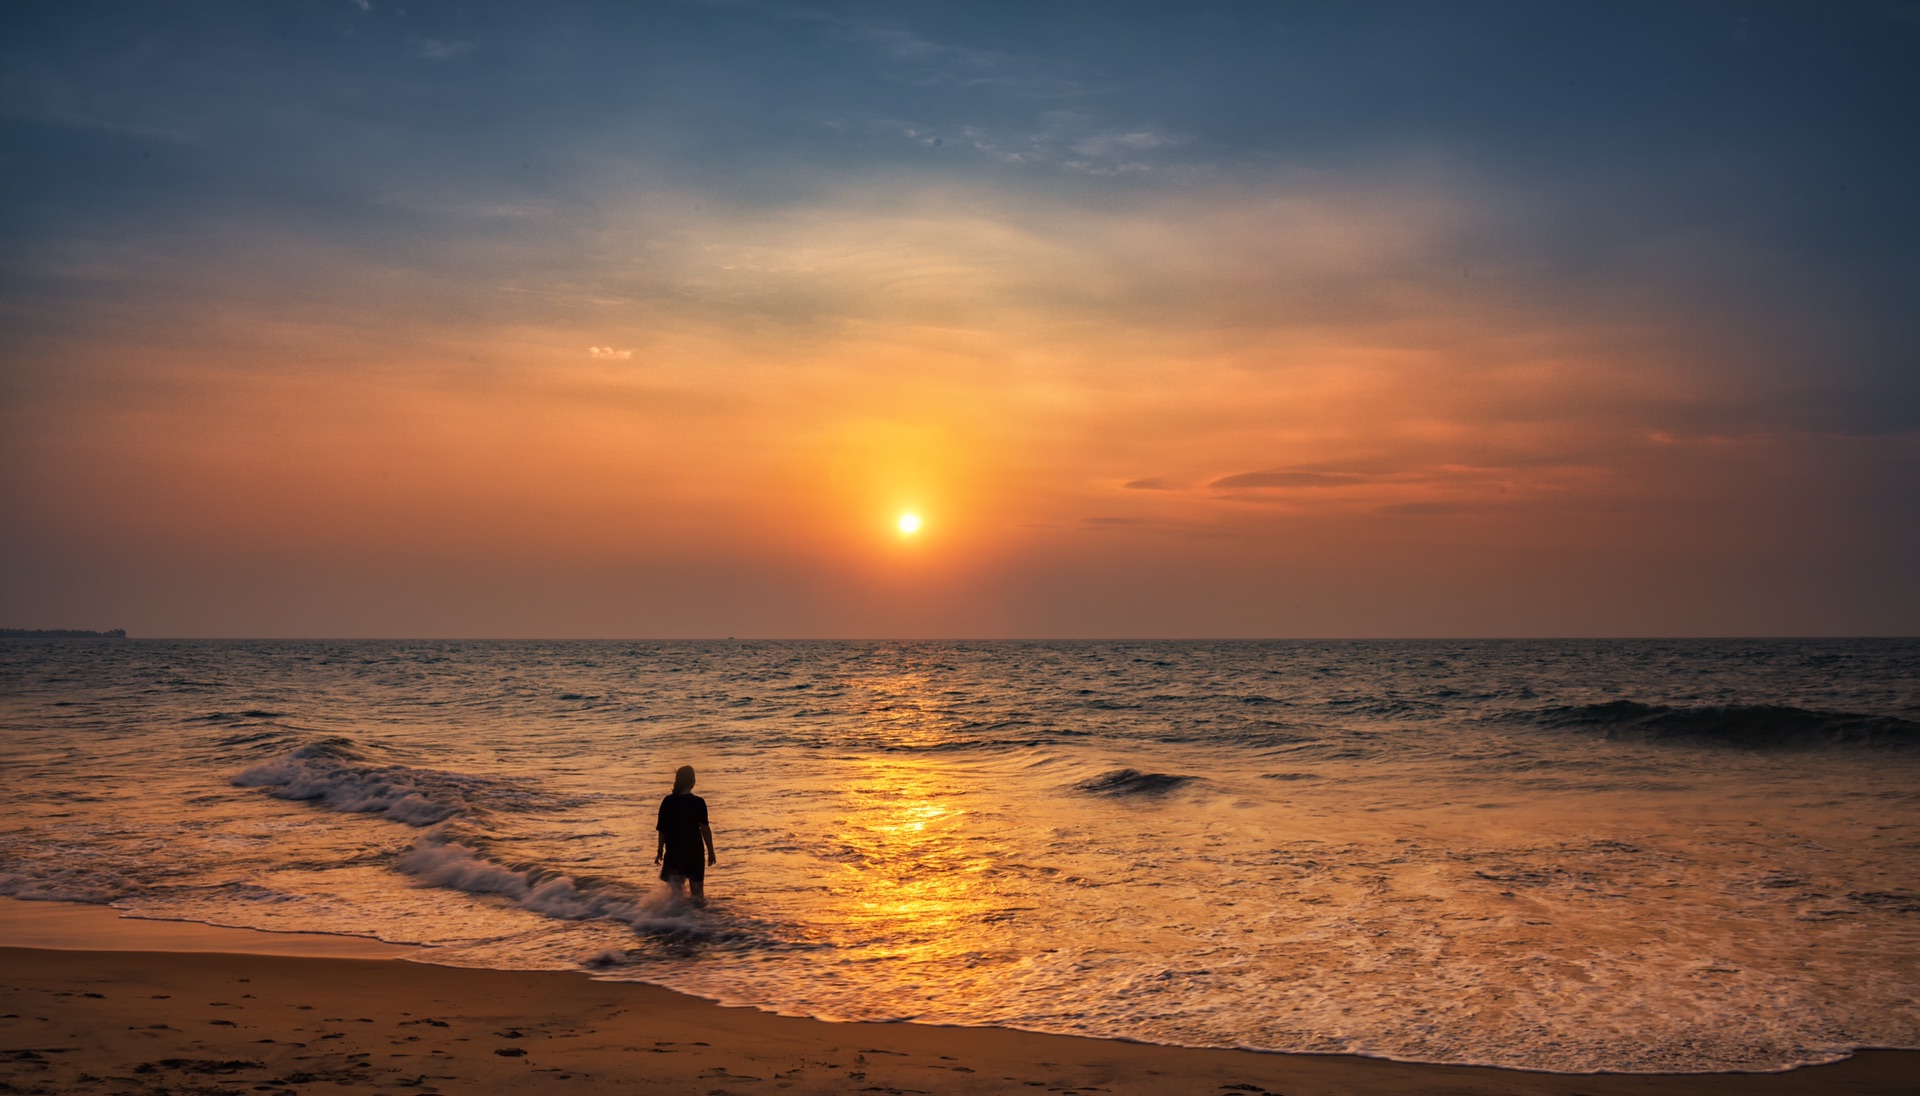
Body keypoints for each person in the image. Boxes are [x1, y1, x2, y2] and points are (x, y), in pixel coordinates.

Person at [655, 765, 716, 906]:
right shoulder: (698, 802)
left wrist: (660, 852)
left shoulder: (668, 801)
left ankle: (676, 923)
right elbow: (705, 830)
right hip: (694, 852)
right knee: (698, 896)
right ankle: (696, 924)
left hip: (674, 852)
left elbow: (662, 830)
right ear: (692, 781)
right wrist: (711, 852)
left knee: (676, 897)